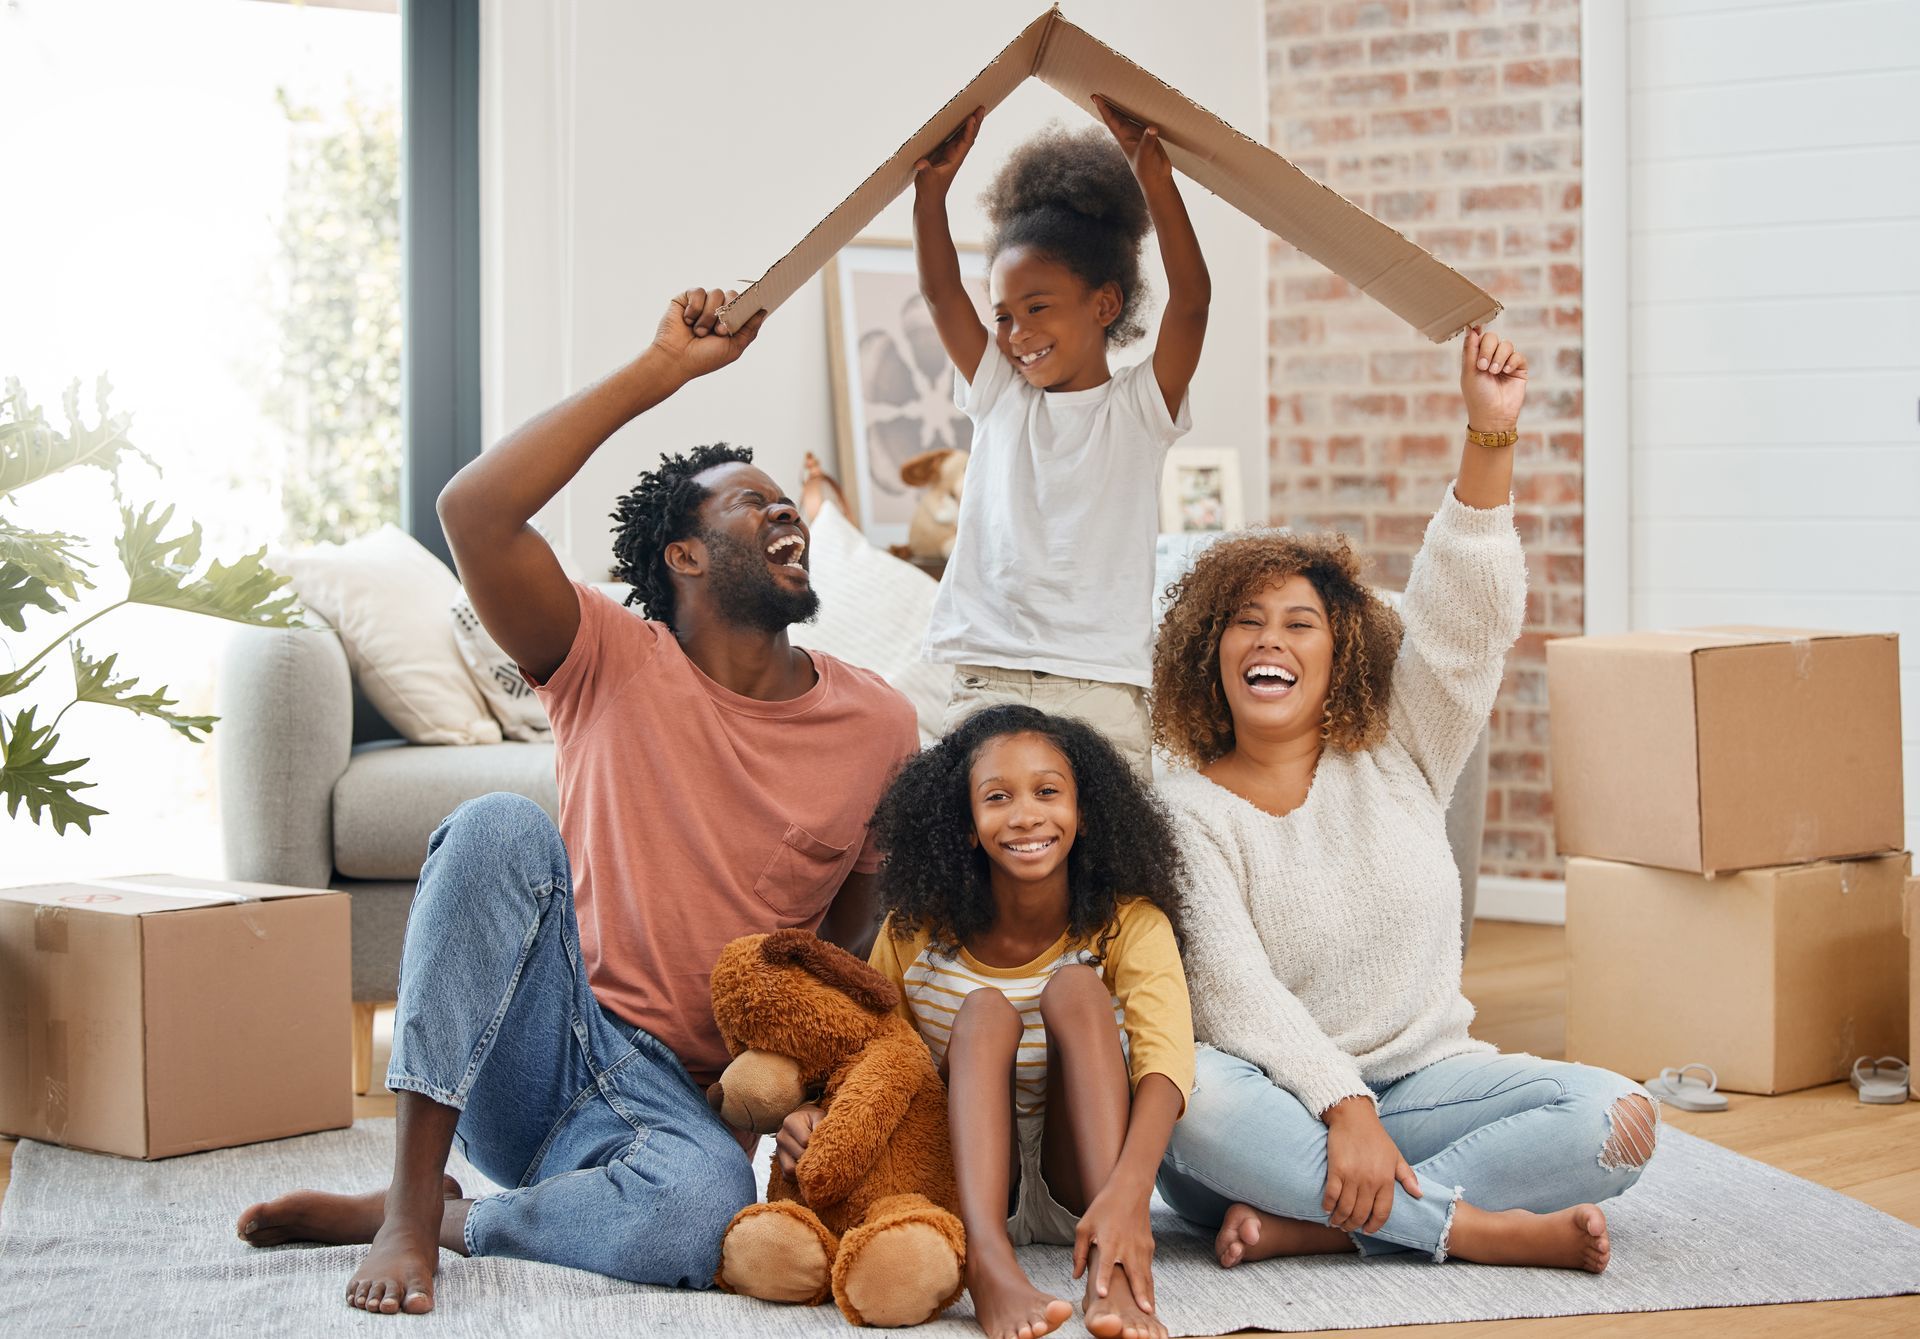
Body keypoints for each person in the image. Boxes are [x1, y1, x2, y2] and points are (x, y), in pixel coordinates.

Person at [234, 287, 922, 1314]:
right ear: (682, 555)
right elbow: (472, 511)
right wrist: (663, 370)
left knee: (700, 1218)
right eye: (751, 500)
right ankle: (413, 1196)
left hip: (680, 1103)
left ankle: (467, 1221)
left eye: (791, 502)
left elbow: (845, 946)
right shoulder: (607, 653)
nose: (787, 511)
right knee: (497, 824)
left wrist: (800, 1090)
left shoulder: (879, 725)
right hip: (542, 1046)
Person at [1151, 329, 1658, 1274]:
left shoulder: (1402, 750)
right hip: (1272, 1111)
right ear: (1208, 653)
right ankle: (1473, 1230)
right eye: (1246, 622)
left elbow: (1463, 620)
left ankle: (1327, 1226)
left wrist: (1488, 432)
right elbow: (1230, 994)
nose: (1273, 640)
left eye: (1301, 623)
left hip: (1428, 1090)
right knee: (1187, 1095)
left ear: (1341, 653)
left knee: (1618, 1118)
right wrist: (1342, 1106)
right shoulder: (1183, 807)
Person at [850, 705, 1193, 1339]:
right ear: (966, 824)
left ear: (1083, 812)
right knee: (982, 1011)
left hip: (1087, 1190)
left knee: (1077, 989)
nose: (1026, 815)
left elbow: (1167, 1062)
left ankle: (1109, 1273)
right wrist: (822, 1109)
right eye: (998, 797)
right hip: (975, 1190)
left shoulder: (1131, 923)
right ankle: (988, 1263)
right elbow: (874, 1057)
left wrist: (1129, 1197)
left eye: (1047, 792)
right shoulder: (913, 934)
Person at [912, 97, 1211, 777]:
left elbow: (1192, 303)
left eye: (1037, 308)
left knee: (1104, 871)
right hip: (988, 676)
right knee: (981, 862)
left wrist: (1156, 184)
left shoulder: (1138, 408)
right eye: (1005, 316)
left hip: (1099, 684)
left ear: (1104, 305)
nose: (1017, 334)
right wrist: (931, 194)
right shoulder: (998, 395)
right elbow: (938, 294)